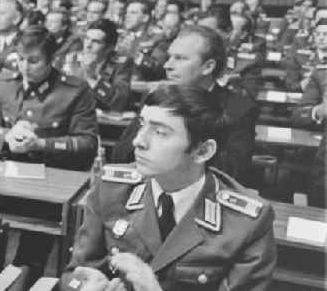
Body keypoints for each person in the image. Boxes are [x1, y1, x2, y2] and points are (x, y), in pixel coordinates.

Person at [57, 84, 276, 291]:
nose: (138, 141)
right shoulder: (111, 189)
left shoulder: (247, 221)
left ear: (202, 151)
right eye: (142, 124)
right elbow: (72, 275)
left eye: (160, 132)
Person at [111, 26, 258, 184]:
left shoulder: (239, 108)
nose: (167, 65)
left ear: (208, 67)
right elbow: (120, 153)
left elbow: (234, 170)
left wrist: (169, 155)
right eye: (169, 57)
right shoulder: (157, 97)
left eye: (180, 58)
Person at [0, 25, 98, 169]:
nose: (24, 67)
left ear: (51, 59)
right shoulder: (5, 83)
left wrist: (40, 144)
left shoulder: (75, 90)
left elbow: (88, 143)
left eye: (33, 61)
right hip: (9, 166)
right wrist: (7, 136)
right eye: (20, 59)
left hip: (54, 170)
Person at [290, 18, 327, 207]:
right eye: (320, 34)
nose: (323, 38)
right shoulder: (321, 73)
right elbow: (298, 115)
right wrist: (320, 110)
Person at [63, 20, 133, 112]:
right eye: (87, 39)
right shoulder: (73, 59)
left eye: (96, 42)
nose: (88, 45)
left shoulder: (120, 63)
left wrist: (93, 78)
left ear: (109, 48)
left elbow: (120, 101)